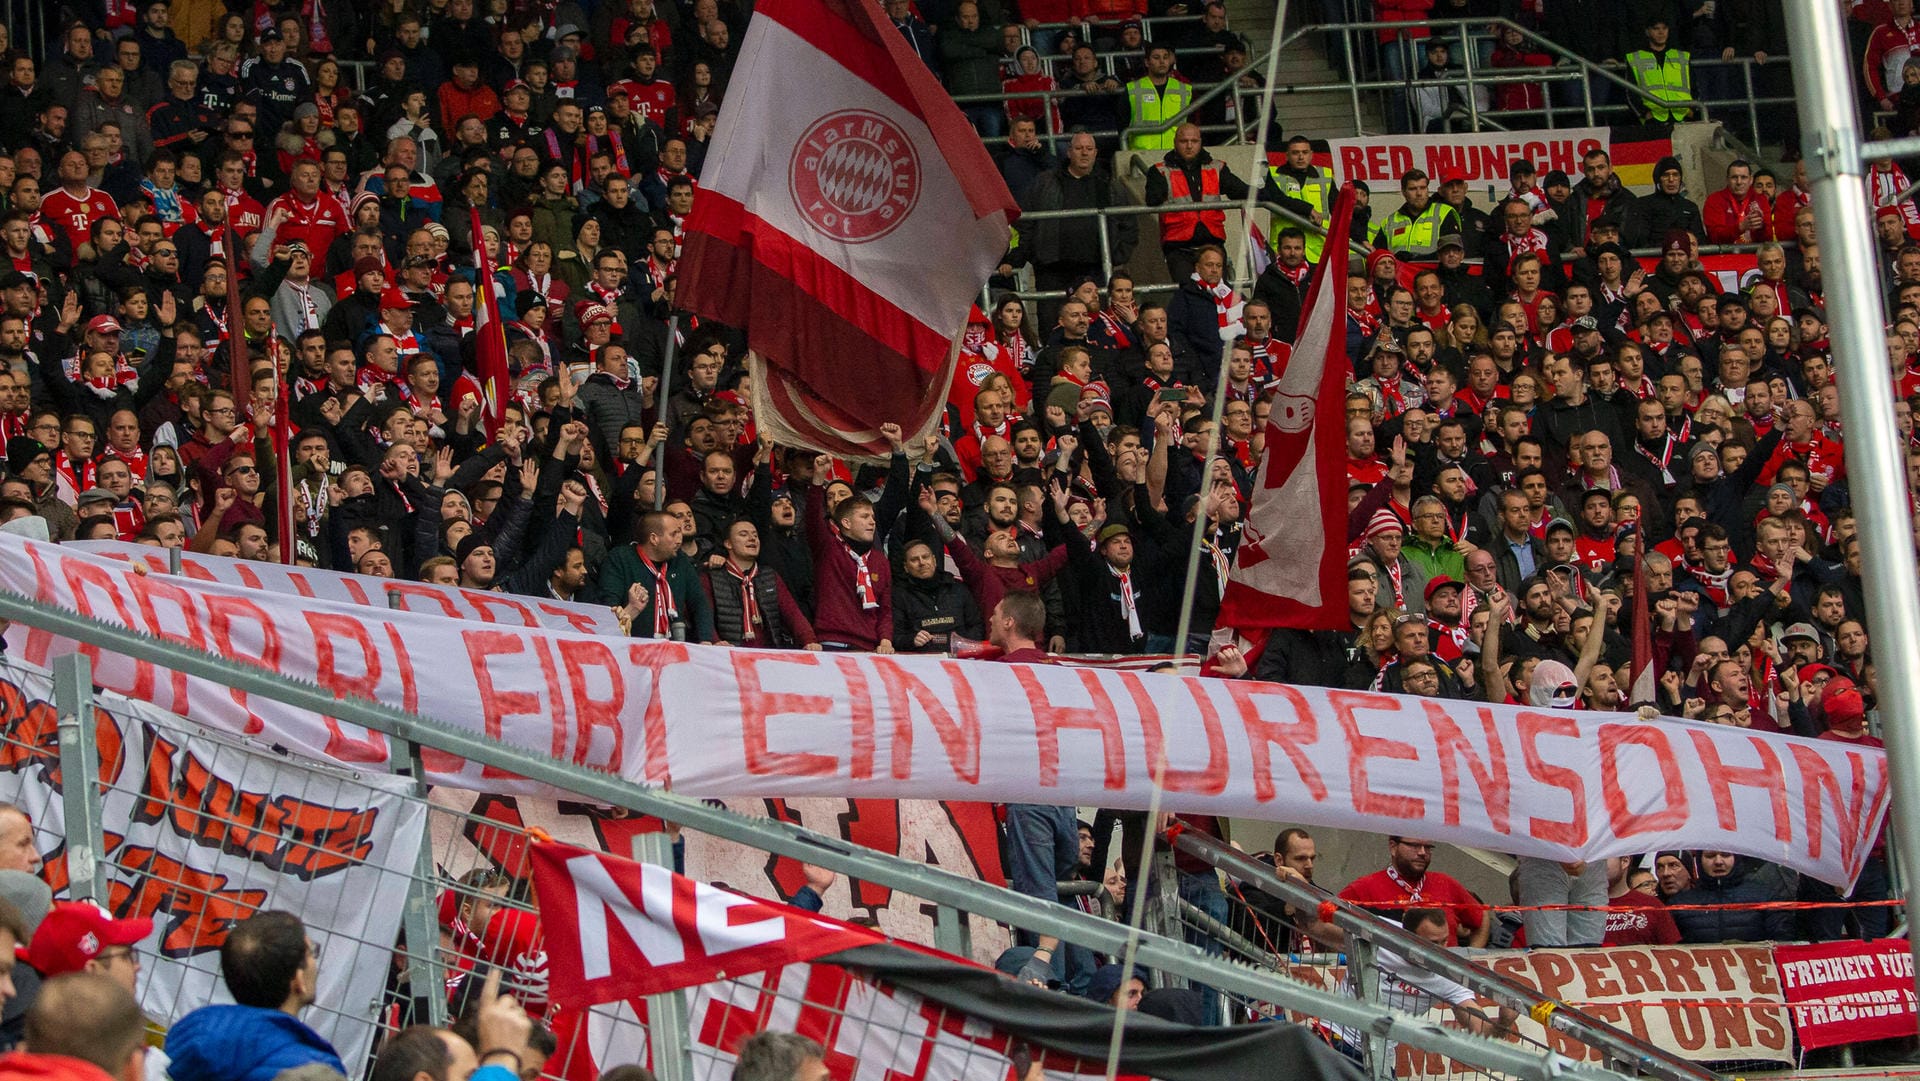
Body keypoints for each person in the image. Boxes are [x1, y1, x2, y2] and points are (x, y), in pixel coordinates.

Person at [165, 911, 345, 1081]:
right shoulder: (315, 1070)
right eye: (312, 952)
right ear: (298, 981)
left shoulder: (188, 1035)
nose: (315, 963)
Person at [1339, 837, 1490, 947]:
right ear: (1393, 847)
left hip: (1445, 981)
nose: (1423, 853)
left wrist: (1471, 958)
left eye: (1428, 847)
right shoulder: (1364, 886)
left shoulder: (1445, 882)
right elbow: (1326, 919)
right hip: (1391, 980)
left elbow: (1481, 916)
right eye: (1414, 846)